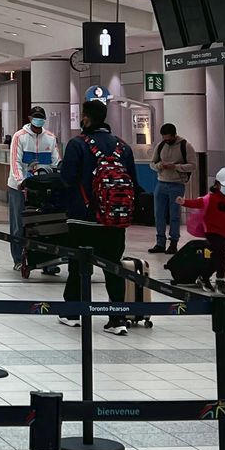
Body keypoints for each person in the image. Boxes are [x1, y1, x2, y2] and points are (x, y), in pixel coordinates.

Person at [59, 99, 141, 336]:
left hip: (82, 218)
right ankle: (117, 319)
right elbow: (134, 183)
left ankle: (73, 312)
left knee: (78, 266)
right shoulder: (122, 147)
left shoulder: (77, 144)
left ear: (86, 118)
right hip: (114, 221)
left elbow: (66, 178)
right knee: (113, 268)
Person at [7, 106, 59, 273]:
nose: (38, 120)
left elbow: (56, 161)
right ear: (30, 118)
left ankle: (48, 262)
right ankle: (18, 259)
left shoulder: (50, 138)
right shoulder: (19, 137)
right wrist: (21, 181)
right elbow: (15, 161)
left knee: (47, 224)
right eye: (36, 117)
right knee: (18, 225)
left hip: (43, 189)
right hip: (19, 187)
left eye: (41, 117)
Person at [179, 168, 225, 294]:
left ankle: (204, 277)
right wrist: (183, 202)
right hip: (213, 232)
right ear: (217, 184)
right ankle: (220, 281)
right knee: (223, 255)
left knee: (218, 257)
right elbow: (198, 203)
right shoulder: (210, 198)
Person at [148, 123, 195, 255]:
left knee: (174, 215)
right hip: (161, 183)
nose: (166, 141)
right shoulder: (161, 145)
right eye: (164, 138)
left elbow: (193, 166)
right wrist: (159, 166)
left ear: (174, 135)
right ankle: (160, 243)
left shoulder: (185, 146)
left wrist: (176, 167)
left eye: (169, 138)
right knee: (159, 214)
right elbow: (152, 163)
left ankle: (173, 243)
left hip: (177, 184)